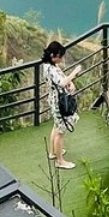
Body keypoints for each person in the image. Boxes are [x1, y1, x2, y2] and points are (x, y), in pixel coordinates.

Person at [42, 41, 81, 170]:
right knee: (60, 132)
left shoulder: (50, 65)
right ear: (54, 55)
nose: (61, 59)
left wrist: (71, 83)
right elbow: (62, 82)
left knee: (56, 126)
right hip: (58, 102)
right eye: (60, 56)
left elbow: (63, 78)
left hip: (55, 99)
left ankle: (53, 152)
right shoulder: (50, 68)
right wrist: (74, 73)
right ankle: (60, 161)